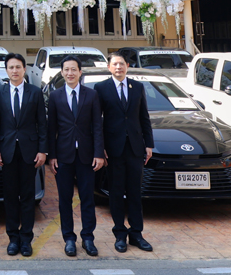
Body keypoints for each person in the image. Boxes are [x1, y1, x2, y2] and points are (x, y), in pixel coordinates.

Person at [94, 51, 154, 253]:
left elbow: (143, 116)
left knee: (135, 193)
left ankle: (136, 233)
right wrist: (100, 147)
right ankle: (120, 233)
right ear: (109, 67)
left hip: (136, 148)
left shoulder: (137, 87)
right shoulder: (101, 88)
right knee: (117, 193)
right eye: (115, 64)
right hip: (113, 149)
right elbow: (97, 121)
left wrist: (149, 144)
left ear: (127, 66)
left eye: (121, 64)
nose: (118, 67)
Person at [46, 56, 105, 257]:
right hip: (63, 156)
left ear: (80, 72)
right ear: (62, 72)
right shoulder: (55, 96)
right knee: (64, 200)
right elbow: (51, 128)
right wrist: (51, 156)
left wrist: (99, 153)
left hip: (87, 156)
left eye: (74, 69)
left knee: (87, 198)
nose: (70, 73)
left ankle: (88, 238)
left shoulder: (92, 95)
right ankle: (69, 238)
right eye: (66, 70)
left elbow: (97, 126)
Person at [0, 53, 47, 257]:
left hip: (30, 153)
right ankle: (13, 238)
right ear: (6, 70)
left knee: (28, 197)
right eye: (11, 67)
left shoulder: (35, 92)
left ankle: (26, 239)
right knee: (10, 197)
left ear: (24, 69)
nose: (14, 71)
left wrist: (43, 150)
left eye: (18, 67)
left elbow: (42, 123)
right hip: (6, 153)